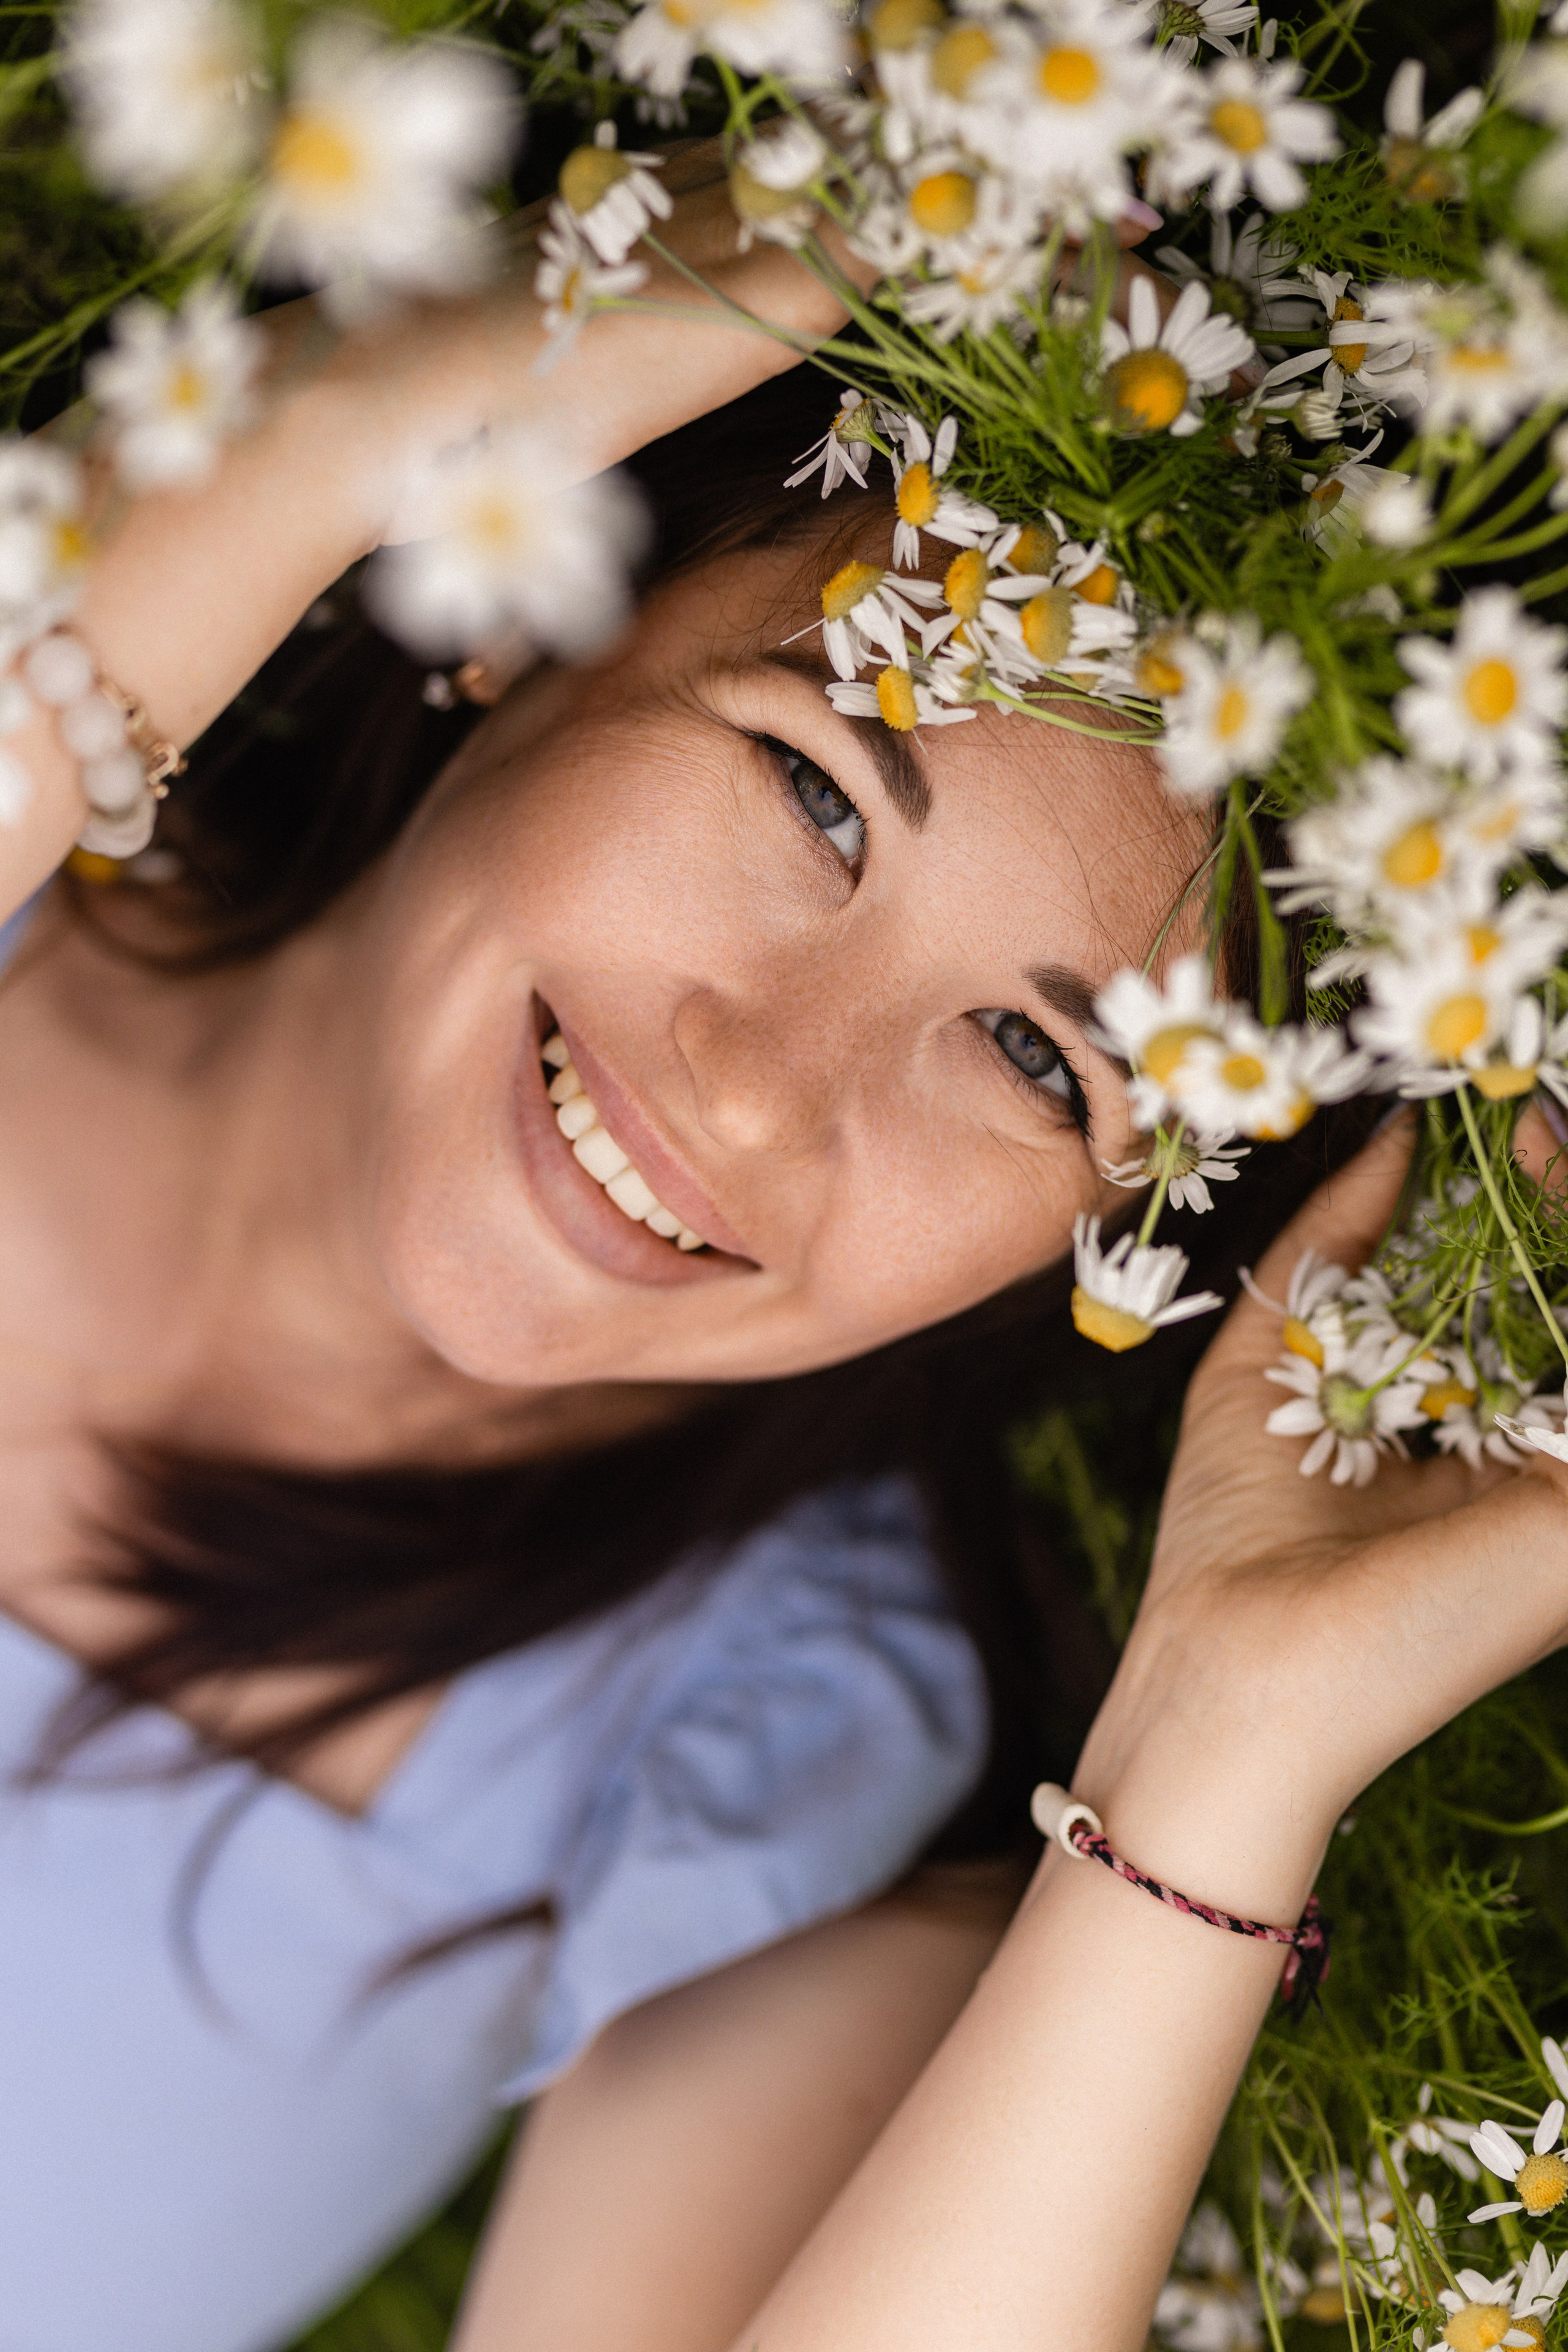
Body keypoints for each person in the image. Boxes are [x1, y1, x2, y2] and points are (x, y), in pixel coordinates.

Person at [0, 156, 1564, 2352]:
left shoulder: (755, 1718)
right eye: (817, 790)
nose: (759, 1094)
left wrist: (1232, 1752)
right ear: (530, 600)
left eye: (1039, 1063)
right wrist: (339, 450)